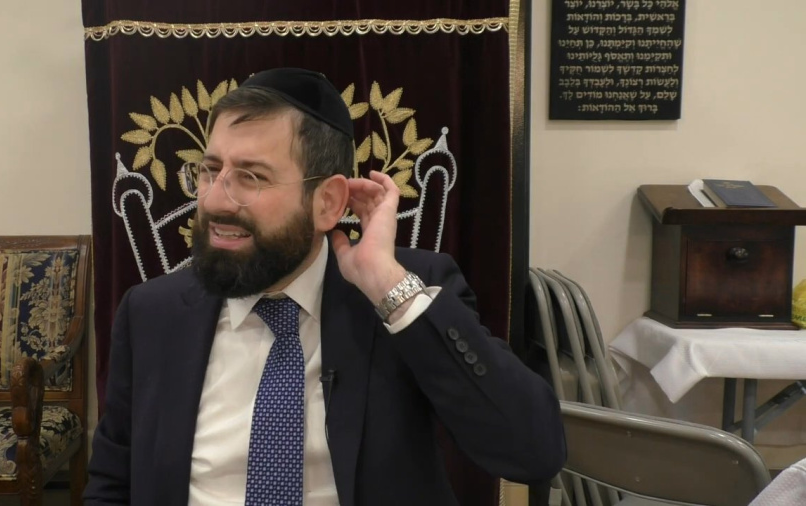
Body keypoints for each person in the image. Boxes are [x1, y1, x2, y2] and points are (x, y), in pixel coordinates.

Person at [84, 67, 565, 506]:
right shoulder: (152, 313)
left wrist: (387, 286)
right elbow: (112, 483)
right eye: (210, 171)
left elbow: (533, 451)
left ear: (328, 202)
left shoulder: (402, 296)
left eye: (250, 177)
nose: (215, 200)